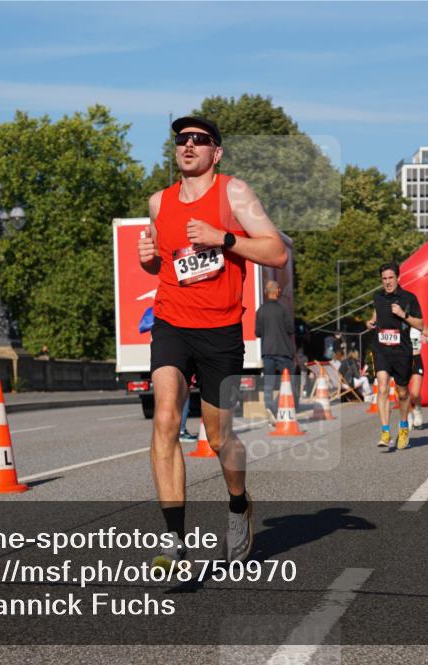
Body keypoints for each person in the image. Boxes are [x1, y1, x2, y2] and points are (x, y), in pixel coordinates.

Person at [138, 116, 288, 568]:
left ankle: (239, 502)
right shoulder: (158, 203)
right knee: (165, 418)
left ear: (215, 153)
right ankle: (173, 542)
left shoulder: (233, 193)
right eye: (181, 139)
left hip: (221, 331)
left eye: (199, 141)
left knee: (220, 436)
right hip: (171, 324)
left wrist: (223, 238)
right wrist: (147, 261)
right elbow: (162, 266)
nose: (188, 146)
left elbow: (276, 251)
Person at [366, 261, 425, 450]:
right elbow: (377, 315)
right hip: (381, 348)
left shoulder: (409, 298)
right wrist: (371, 322)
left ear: (398, 278)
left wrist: (402, 315)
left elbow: (421, 325)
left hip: (402, 351)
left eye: (391, 278)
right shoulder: (378, 297)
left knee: (402, 392)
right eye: (384, 279)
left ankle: (404, 427)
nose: (388, 282)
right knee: (382, 387)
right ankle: (385, 431)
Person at [256, 280, 295, 411]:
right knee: (289, 382)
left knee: (269, 383)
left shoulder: (260, 310)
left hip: (267, 352)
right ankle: (280, 406)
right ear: (277, 291)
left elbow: (258, 332)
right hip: (283, 351)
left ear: (265, 293)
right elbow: (290, 329)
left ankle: (269, 408)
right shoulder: (283, 309)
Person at [407, 324, 428, 427]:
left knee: (415, 393)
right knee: (404, 392)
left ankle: (417, 410)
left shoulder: (417, 325)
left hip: (416, 359)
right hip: (403, 361)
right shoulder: (399, 325)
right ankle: (408, 415)